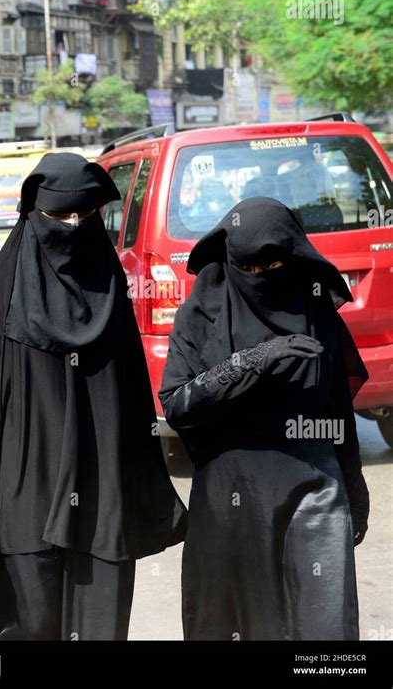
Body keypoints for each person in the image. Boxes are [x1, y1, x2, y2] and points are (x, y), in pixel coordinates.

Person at [0, 152, 186, 641]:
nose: (73, 226)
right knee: (32, 629)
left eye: (85, 214)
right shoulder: (2, 289)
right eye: (60, 215)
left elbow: (132, 397)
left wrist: (143, 495)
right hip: (24, 499)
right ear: (34, 214)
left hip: (105, 498)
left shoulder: (110, 281)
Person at [159, 196, 369, 641]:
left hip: (312, 491)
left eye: (269, 268)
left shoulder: (313, 309)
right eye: (245, 269)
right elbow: (176, 403)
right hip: (229, 495)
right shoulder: (202, 313)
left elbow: (338, 412)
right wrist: (253, 360)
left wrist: (354, 486)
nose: (256, 278)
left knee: (324, 630)